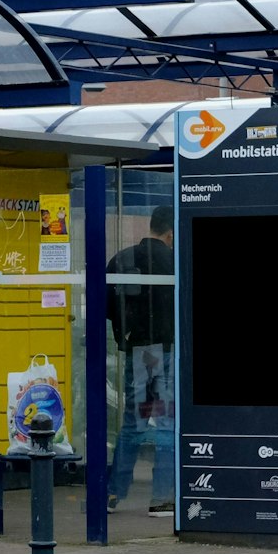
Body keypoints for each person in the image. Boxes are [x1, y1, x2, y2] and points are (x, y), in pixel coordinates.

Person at [107, 205, 176, 517]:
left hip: (138, 350)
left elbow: (107, 306)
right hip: (167, 349)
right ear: (170, 234)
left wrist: (126, 334)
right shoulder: (176, 261)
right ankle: (162, 497)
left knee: (133, 422)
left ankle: (113, 493)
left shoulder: (122, 259)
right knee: (166, 422)